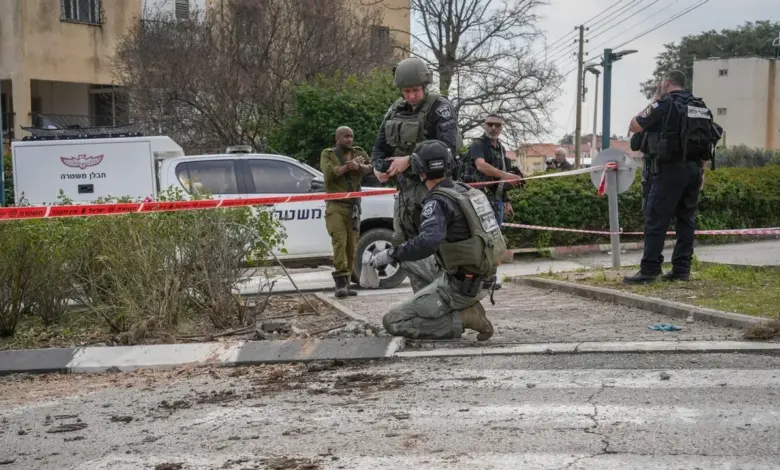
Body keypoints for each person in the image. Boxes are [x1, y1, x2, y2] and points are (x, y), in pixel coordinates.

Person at [368, 139, 507, 341]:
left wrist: (391, 254)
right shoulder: (465, 190)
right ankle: (431, 304)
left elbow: (428, 243)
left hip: (460, 286)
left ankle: (463, 317)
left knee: (393, 321)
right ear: (450, 164)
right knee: (408, 257)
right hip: (480, 276)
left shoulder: (438, 201)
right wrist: (400, 254)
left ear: (419, 170)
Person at [371, 57, 461, 293]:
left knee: (436, 247)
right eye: (407, 91)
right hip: (405, 194)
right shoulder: (395, 110)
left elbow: (447, 150)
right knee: (408, 250)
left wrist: (409, 162)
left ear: (425, 86)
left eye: (415, 90)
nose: (411, 96)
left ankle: (447, 303)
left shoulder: (440, 108)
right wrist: (379, 168)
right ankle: (423, 302)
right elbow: (380, 146)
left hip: (435, 190)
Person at [623, 70, 722, 284]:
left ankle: (649, 270)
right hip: (694, 170)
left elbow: (634, 125)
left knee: (656, 219)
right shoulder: (700, 107)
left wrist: (655, 99)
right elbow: (705, 141)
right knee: (686, 220)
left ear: (666, 83)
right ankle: (681, 269)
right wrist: (701, 171)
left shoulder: (664, 104)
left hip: (668, 170)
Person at [461, 112, 524, 289]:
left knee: (495, 241)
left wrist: (507, 200)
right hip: (478, 201)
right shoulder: (478, 145)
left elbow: (501, 178)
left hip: (495, 201)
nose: (494, 128)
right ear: (484, 125)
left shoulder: (501, 148)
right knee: (482, 241)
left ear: (502, 127)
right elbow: (481, 165)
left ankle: (490, 278)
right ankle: (479, 278)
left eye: (497, 125)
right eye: (490, 124)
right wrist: (507, 175)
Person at [320, 126, 373, 297]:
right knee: (339, 242)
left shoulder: (358, 152)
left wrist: (359, 166)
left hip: (354, 206)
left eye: (351, 136)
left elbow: (371, 168)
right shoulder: (328, 153)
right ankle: (340, 284)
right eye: (346, 137)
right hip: (336, 205)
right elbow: (329, 173)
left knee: (352, 245)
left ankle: (347, 282)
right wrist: (347, 168)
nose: (349, 140)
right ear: (338, 138)